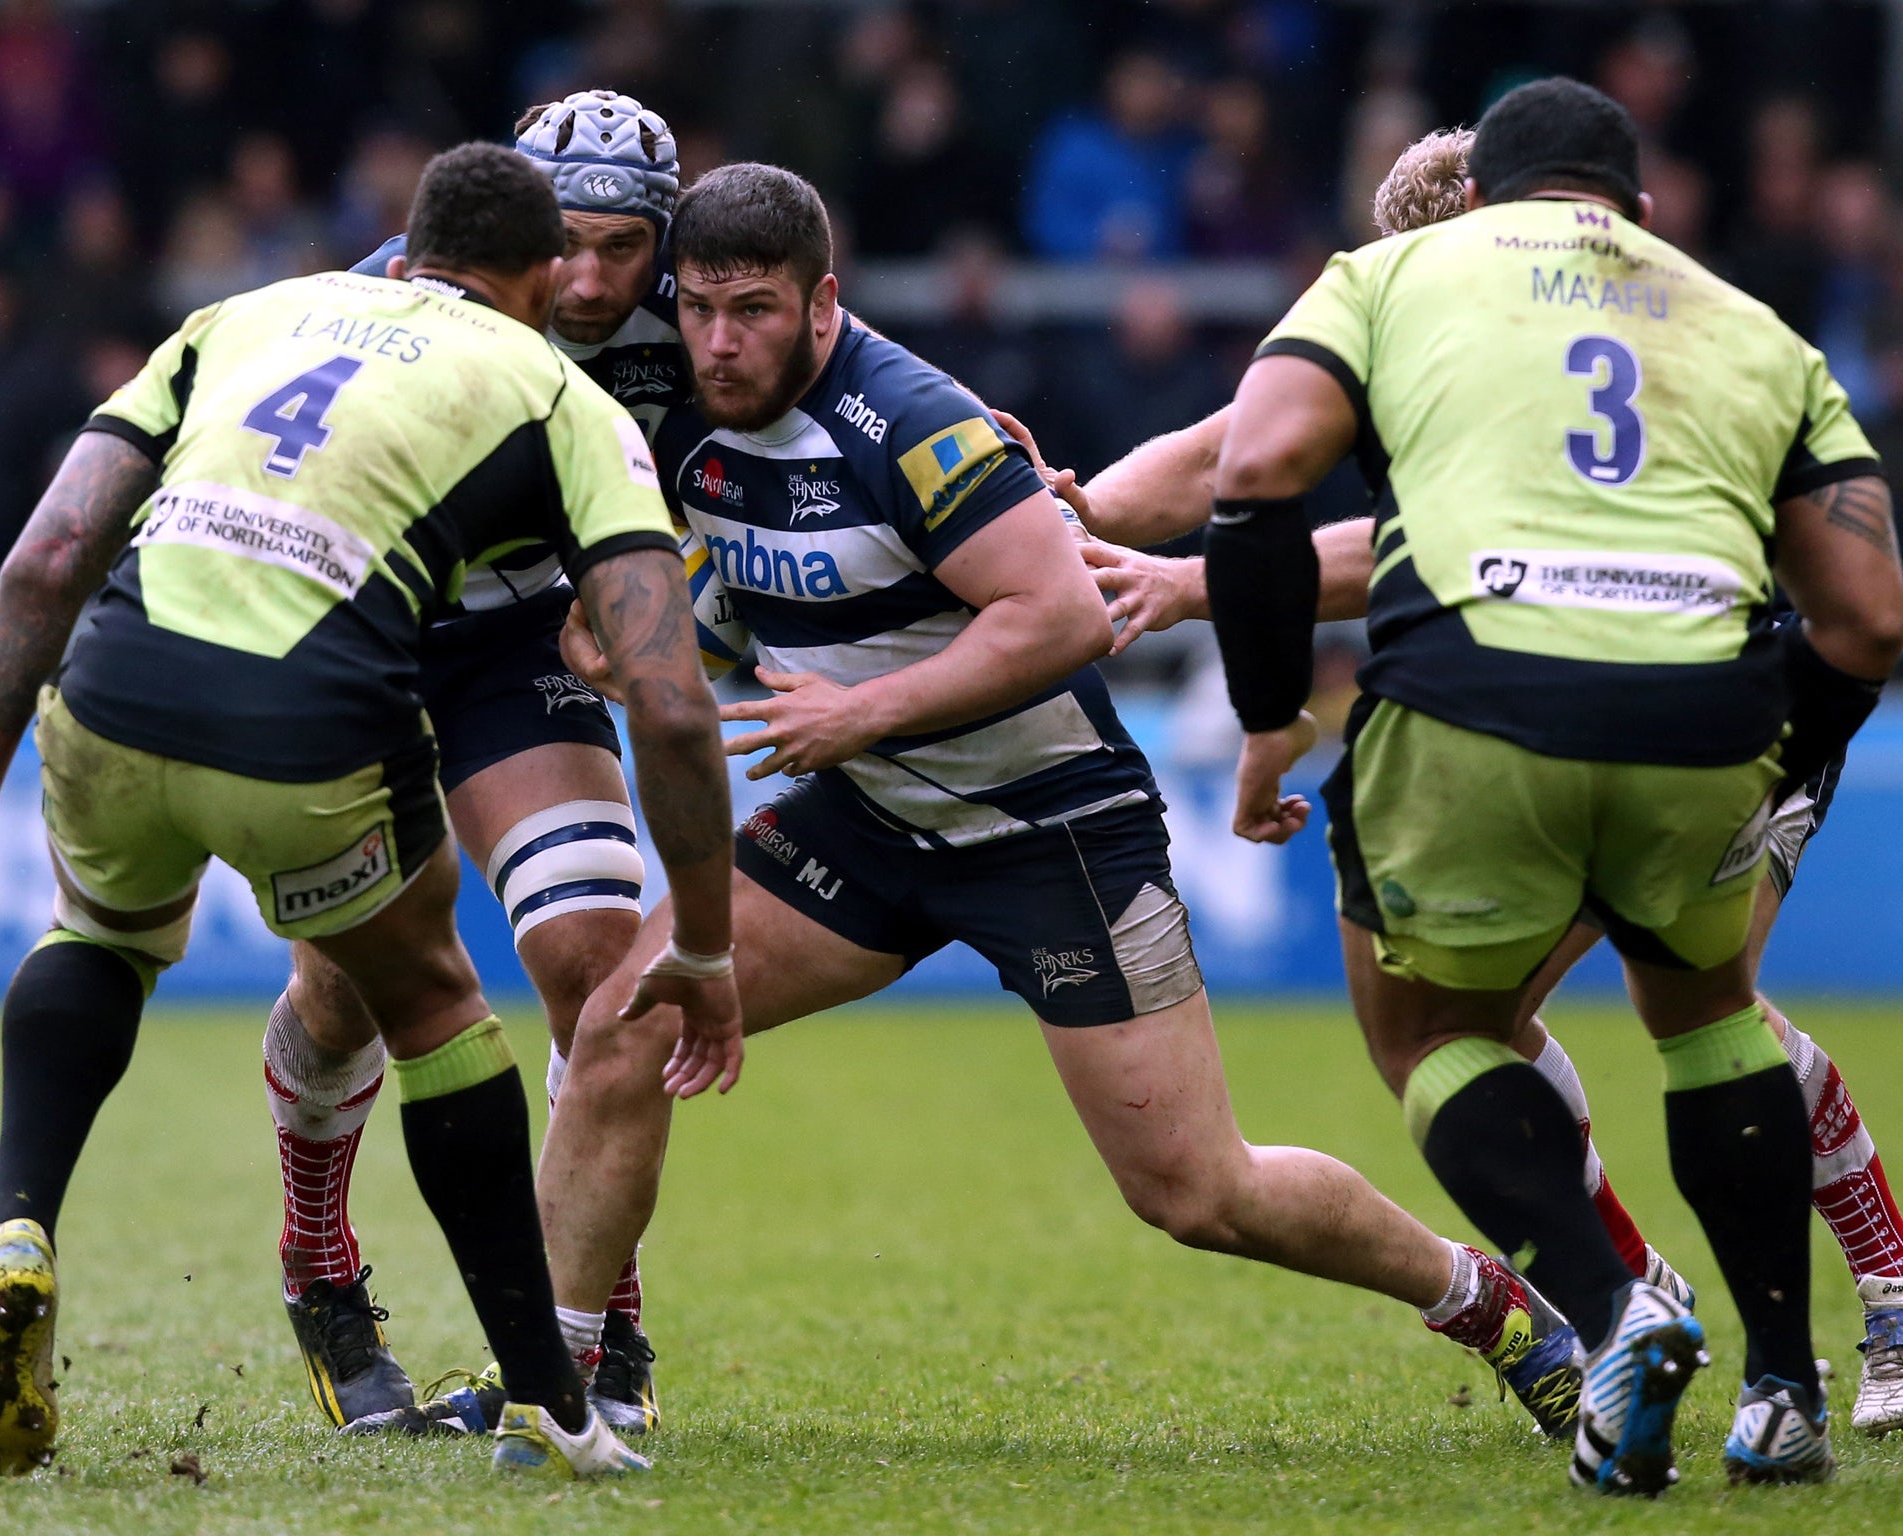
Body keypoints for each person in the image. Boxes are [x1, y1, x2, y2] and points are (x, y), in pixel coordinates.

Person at [539, 161, 1586, 1443]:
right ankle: (565, 1376)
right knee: (620, 1028)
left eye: (749, 311)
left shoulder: (909, 425)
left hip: (1051, 833)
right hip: (864, 822)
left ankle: (1494, 1307)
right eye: (696, 309)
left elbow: (1066, 618)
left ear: (822, 304)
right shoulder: (677, 412)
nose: (716, 341)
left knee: (1199, 1193)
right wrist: (635, 641)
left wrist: (856, 715)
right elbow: (758, 597)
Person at [0, 142, 734, 1483]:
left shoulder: (245, 316)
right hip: (320, 710)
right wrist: (707, 941)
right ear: (529, 277)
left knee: (99, 937)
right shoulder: (552, 385)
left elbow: (48, 557)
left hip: (119, 677)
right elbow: (677, 709)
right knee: (439, 1009)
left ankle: (20, 1223)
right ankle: (545, 1391)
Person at [1068, 124, 1903, 1441]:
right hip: (1720, 700)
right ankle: (1705, 1329)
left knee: (1574, 1008)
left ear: (1467, 220)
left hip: (1592, 683)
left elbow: (1315, 504)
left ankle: (1877, 1282)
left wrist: (1197, 608)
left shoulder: (1419, 295)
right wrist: (1065, 513)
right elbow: (1222, 457)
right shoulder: (1706, 312)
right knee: (1641, 1008)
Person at [272, 89, 686, 1436]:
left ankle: (595, 1323)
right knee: (352, 989)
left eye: (624, 248)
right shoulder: (388, 300)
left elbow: (844, 371)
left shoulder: (700, 321)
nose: (587, 278)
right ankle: (319, 1268)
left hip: (520, 647)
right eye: (566, 241)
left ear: (663, 244)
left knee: (601, 964)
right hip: (371, 641)